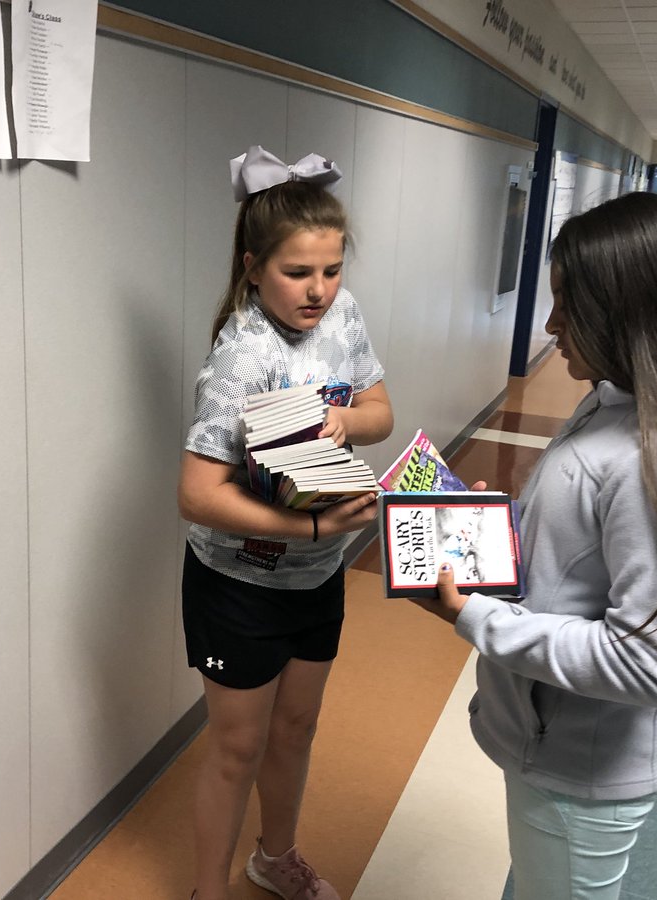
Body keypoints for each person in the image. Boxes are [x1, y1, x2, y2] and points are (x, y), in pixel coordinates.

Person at [411, 191, 657, 899]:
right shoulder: (612, 401)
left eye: (568, 308)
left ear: (629, 317)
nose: (551, 325)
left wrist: (475, 616)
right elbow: (584, 549)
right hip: (555, 749)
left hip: (583, 770)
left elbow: (653, 667)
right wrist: (500, 529)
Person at [178, 145, 394, 900]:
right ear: (252, 267)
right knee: (236, 749)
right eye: (298, 274)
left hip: (317, 576)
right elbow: (198, 496)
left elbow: (380, 412)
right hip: (239, 583)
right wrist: (309, 531)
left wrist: (341, 420)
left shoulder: (346, 316)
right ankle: (209, 890)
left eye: (331, 271)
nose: (319, 291)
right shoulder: (240, 358)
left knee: (297, 729)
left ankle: (275, 858)